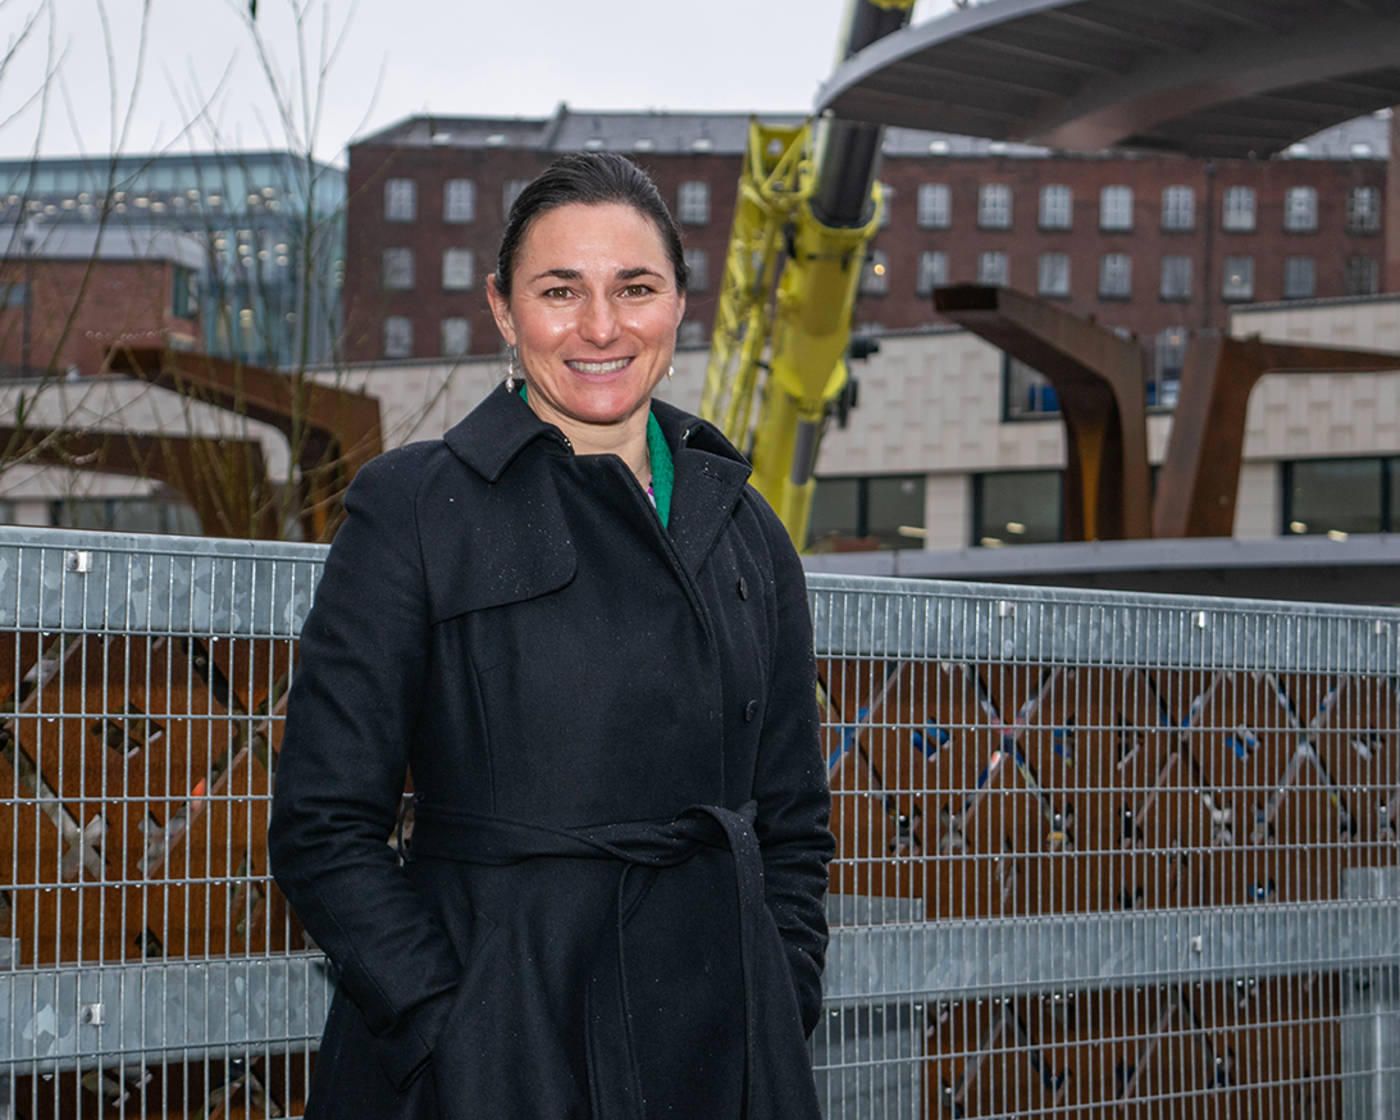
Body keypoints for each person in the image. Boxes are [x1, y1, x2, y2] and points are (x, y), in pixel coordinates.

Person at [268, 151, 834, 1120]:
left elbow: (791, 819)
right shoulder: (415, 506)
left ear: (677, 303)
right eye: (559, 290)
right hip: (495, 1041)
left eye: (634, 288)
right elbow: (323, 823)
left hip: (718, 1044)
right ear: (501, 307)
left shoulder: (744, 526)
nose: (601, 327)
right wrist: (450, 1021)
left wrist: (780, 987)